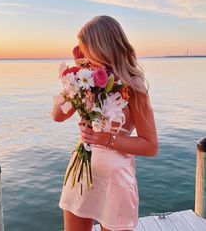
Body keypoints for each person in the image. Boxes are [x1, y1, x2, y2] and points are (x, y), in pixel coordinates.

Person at [52, 15, 159, 231]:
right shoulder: (87, 80)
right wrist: (75, 75)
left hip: (115, 180)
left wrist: (106, 139)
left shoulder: (134, 87)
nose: (83, 54)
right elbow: (58, 115)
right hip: (81, 171)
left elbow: (150, 145)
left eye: (86, 49)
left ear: (100, 47)